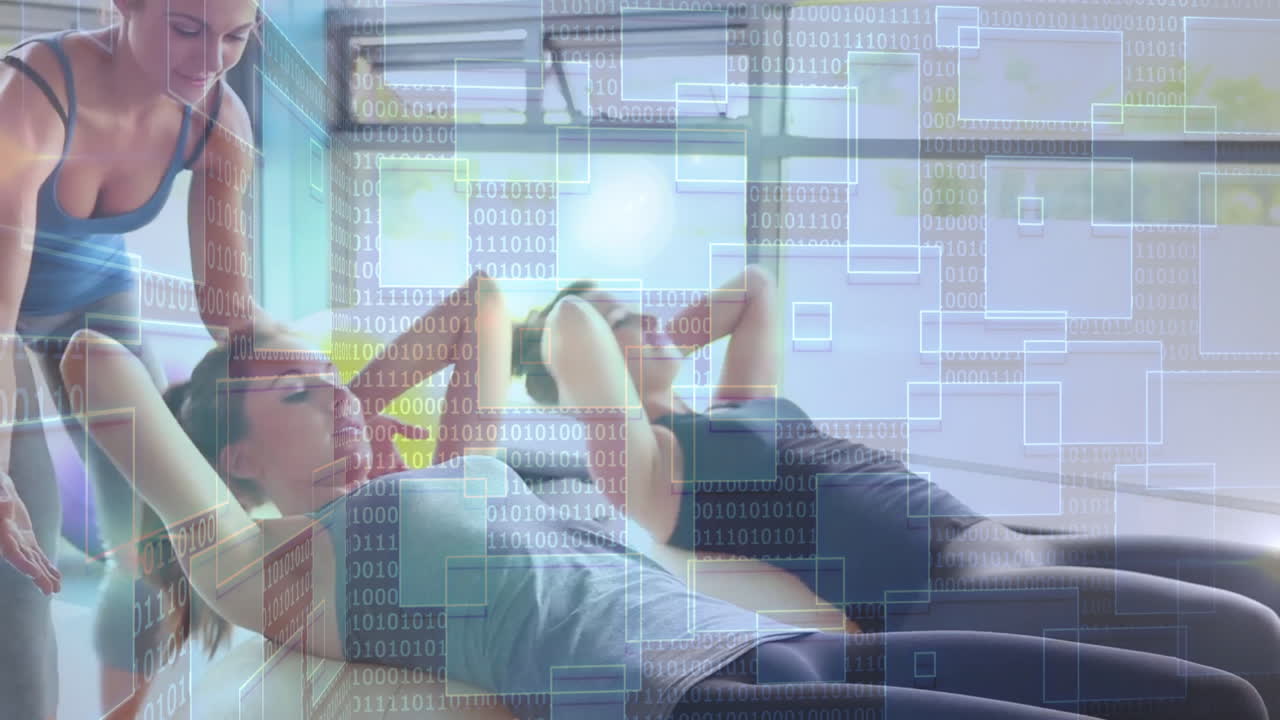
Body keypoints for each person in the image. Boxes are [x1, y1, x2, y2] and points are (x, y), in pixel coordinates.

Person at [58, 282, 1267, 720]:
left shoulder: (461, 469)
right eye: (297, 395)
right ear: (234, 452)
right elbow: (93, 366)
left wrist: (352, 408)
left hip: (778, 648)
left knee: (1215, 688)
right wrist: (250, 347)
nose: (339, 399)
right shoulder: (273, 570)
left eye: (335, 386)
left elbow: (479, 304)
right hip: (686, 700)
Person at [511, 264, 1280, 717]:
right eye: (624, 321)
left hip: (1007, 540)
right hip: (945, 589)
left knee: (1263, 586)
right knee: (1243, 648)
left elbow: (755, 289)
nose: (642, 316)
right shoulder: (647, 471)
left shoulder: (739, 406)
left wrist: (655, 335)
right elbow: (572, 323)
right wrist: (564, 326)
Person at [0, 2, 267, 717]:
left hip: (96, 296)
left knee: (155, 539)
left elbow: (231, 314)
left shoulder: (218, 122)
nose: (210, 60)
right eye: (187, 28)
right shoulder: (33, 92)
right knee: (22, 551)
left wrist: (326, 392)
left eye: (236, 38)